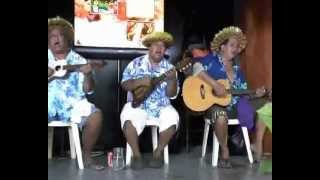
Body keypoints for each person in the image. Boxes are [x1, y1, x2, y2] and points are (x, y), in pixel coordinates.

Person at [188, 26, 268, 168]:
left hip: (235, 106)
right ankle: (224, 150)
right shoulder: (211, 60)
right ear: (222, 47)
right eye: (232, 45)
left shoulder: (238, 71)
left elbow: (243, 93)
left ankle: (257, 145)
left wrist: (255, 93)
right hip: (214, 106)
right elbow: (195, 68)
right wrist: (214, 84)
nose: (236, 48)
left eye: (237, 46)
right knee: (220, 116)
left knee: (267, 106)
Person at [48, 16, 105, 170]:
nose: (57, 39)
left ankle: (87, 157)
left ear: (68, 38)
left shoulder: (79, 60)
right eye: (52, 36)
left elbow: (88, 90)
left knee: (95, 115)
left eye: (60, 35)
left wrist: (87, 74)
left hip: (73, 104)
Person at [120, 32, 179, 169]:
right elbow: (124, 84)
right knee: (127, 118)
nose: (159, 48)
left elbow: (171, 94)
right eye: (155, 45)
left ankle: (158, 153)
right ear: (149, 47)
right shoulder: (136, 63)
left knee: (173, 117)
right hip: (137, 105)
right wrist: (140, 81)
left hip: (162, 106)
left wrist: (172, 80)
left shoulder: (170, 69)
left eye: (162, 46)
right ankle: (136, 155)